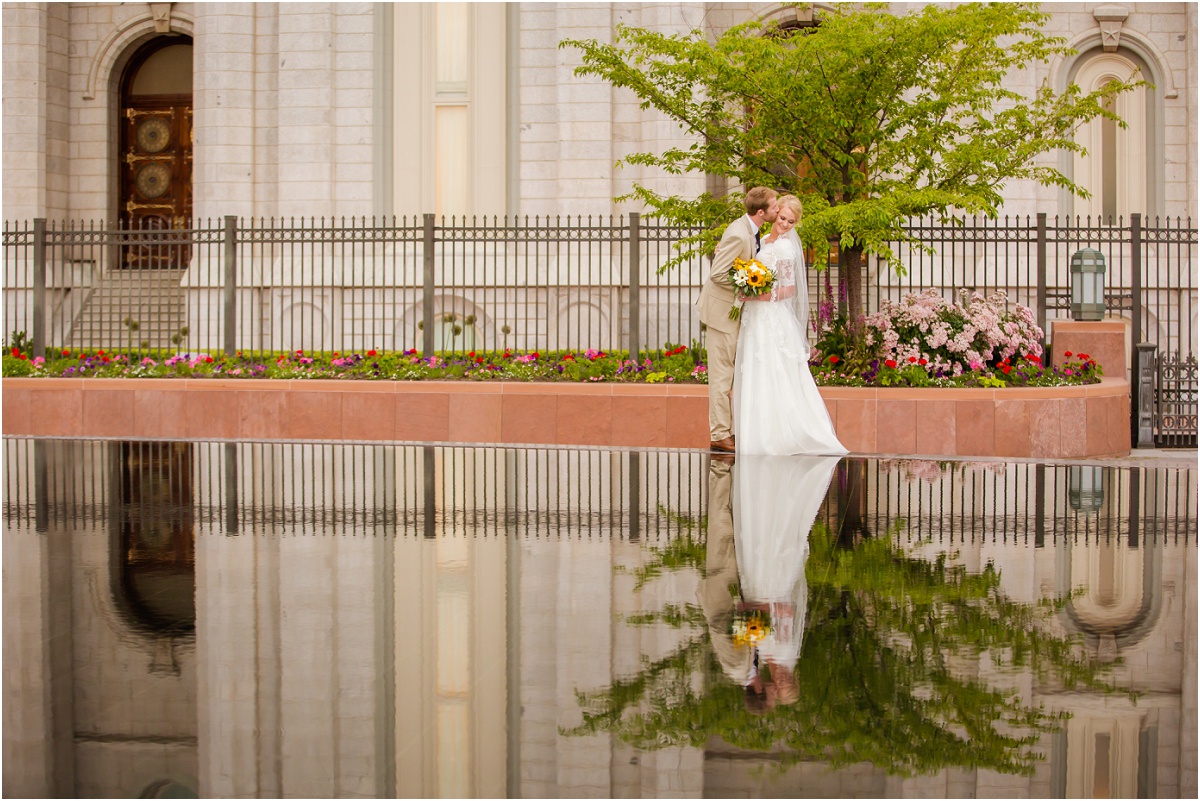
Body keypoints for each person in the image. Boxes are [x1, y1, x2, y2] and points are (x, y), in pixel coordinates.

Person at [733, 194, 847, 456]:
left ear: (796, 224)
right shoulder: (761, 240)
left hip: (770, 315)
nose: (784, 224)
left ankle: (778, 435)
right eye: (782, 218)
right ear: (775, 214)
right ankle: (756, 435)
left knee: (774, 372)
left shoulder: (785, 248)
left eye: (791, 222)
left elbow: (789, 289)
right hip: (755, 315)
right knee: (756, 370)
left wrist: (758, 295)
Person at [696, 187, 779, 454]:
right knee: (721, 378)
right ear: (760, 211)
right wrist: (748, 287)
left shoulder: (752, 233)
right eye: (774, 206)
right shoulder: (737, 232)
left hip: (735, 314)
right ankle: (719, 434)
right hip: (721, 316)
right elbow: (718, 274)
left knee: (731, 376)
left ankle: (728, 429)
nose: (777, 210)